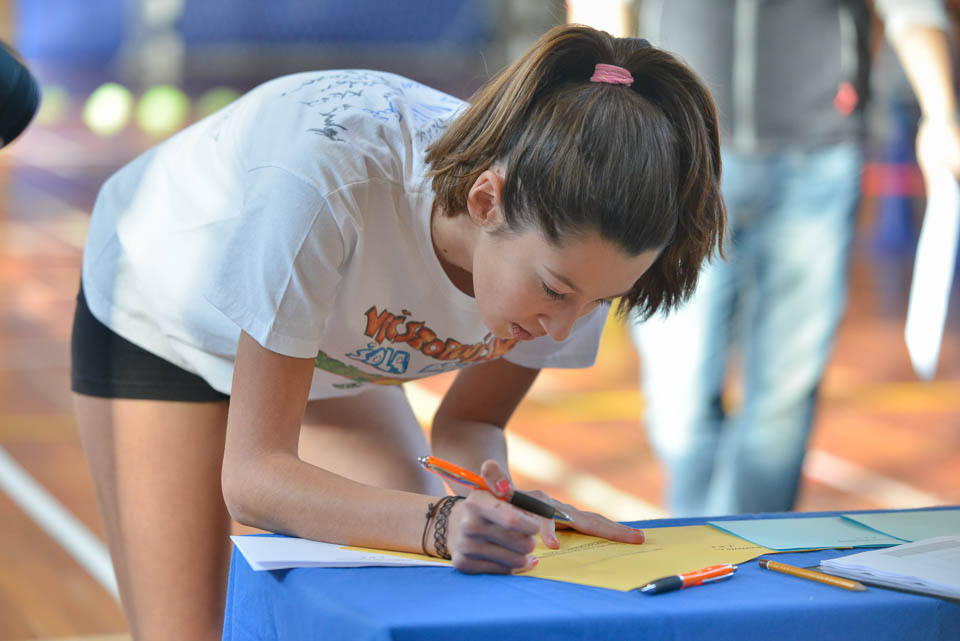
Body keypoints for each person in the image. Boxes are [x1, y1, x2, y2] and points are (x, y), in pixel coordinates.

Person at [70, 24, 725, 640]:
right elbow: (255, 479)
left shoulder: (576, 261)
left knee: (409, 572)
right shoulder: (327, 184)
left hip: (321, 355)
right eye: (555, 291)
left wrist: (509, 513)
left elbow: (469, 425)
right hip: (159, 316)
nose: (561, 328)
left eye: (600, 301)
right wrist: (441, 522)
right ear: (485, 201)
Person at [632, 0, 960, 517]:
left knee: (784, 396)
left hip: (819, 154)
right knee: (678, 395)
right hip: (682, 151)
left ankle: (750, 551)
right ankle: (695, 537)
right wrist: (607, 112)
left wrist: (942, 114)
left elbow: (912, 7)